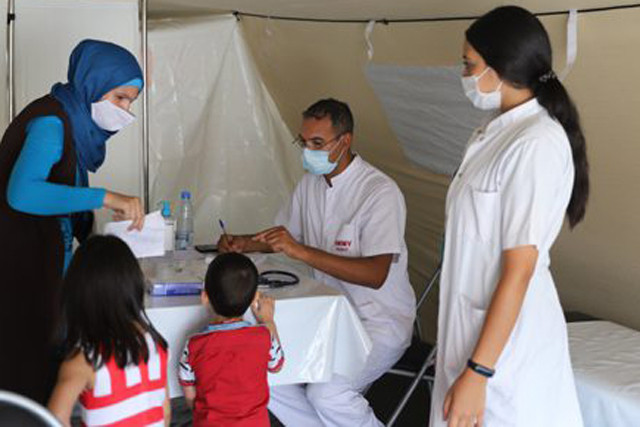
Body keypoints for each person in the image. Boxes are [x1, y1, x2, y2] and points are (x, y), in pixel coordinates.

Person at [430, 6, 589, 427]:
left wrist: (479, 371)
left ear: (501, 67)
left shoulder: (536, 143)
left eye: (469, 64)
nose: (464, 74)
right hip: (472, 331)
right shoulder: (493, 132)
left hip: (506, 354)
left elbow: (520, 269)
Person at [218, 98, 416, 426]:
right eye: (304, 142)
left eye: (317, 143)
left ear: (345, 141)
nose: (308, 151)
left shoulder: (379, 192)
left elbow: (376, 274)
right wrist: (243, 243)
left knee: (327, 394)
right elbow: (283, 236)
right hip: (327, 316)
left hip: (378, 323)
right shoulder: (310, 184)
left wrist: (301, 251)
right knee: (262, 368)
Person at [0, 39, 146, 403]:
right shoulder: (52, 122)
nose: (126, 112)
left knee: (42, 375)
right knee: (24, 376)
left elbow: (66, 196)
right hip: (20, 268)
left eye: (131, 102)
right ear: (93, 83)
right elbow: (22, 194)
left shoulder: (73, 126)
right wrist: (106, 197)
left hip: (44, 268)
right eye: (120, 98)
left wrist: (98, 235)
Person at [47, 235, 170, 426]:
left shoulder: (85, 359)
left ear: (77, 292)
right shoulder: (156, 346)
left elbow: (55, 418)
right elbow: (165, 413)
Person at [178, 253, 284, 426]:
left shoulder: (194, 345)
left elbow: (190, 397)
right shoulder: (263, 336)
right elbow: (277, 366)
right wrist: (268, 320)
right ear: (254, 298)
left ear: (205, 297)